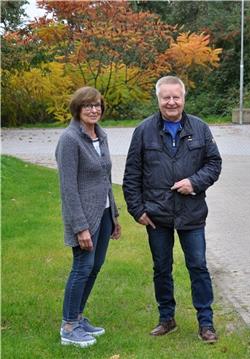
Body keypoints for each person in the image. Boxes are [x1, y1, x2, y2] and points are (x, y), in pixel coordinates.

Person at [123, 75, 222, 343]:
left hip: (191, 213)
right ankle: (167, 318)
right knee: (161, 268)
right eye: (166, 97)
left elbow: (214, 164)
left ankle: (206, 322)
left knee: (198, 266)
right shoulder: (143, 131)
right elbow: (131, 175)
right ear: (158, 99)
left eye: (176, 97)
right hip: (157, 216)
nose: (171, 102)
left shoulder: (200, 129)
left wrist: (194, 182)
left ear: (183, 98)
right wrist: (137, 209)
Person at [56, 86, 122, 347]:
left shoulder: (100, 136)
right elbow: (68, 188)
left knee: (94, 267)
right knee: (82, 267)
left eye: (97, 105)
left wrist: (114, 216)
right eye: (88, 105)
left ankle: (78, 316)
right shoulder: (70, 140)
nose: (94, 109)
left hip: (104, 213)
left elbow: (106, 178)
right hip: (84, 217)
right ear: (77, 109)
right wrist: (80, 227)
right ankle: (68, 326)